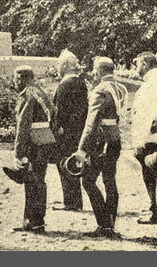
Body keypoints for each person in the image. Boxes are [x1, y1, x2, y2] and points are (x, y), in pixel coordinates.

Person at [75, 56, 127, 237]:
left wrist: (82, 148)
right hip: (115, 138)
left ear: (100, 70)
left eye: (95, 69)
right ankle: (109, 224)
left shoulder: (100, 90)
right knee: (110, 181)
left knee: (88, 181)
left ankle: (104, 223)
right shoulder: (121, 88)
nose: (93, 72)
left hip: (101, 140)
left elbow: (92, 122)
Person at [11, 65, 56, 233]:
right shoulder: (39, 91)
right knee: (39, 181)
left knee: (32, 183)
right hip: (45, 140)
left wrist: (18, 153)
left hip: (33, 143)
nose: (15, 84)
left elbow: (22, 127)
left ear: (22, 78)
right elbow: (53, 112)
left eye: (15, 80)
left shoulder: (26, 96)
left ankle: (33, 222)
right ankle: (35, 221)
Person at [131, 48, 157, 225]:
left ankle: (156, 212)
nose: (136, 69)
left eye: (137, 65)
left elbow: (147, 115)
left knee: (152, 176)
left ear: (144, 64)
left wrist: (140, 140)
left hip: (150, 137)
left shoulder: (153, 84)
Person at [52, 49, 87, 211]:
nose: (57, 67)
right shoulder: (80, 83)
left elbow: (59, 111)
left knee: (64, 164)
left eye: (59, 64)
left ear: (65, 65)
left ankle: (71, 202)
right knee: (73, 164)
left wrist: (56, 128)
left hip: (66, 132)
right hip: (78, 130)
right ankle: (74, 200)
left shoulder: (64, 85)